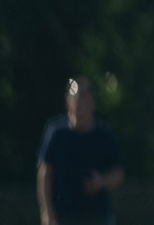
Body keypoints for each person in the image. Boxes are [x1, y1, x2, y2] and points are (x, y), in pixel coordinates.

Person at [37, 77, 125, 225]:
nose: (80, 98)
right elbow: (44, 174)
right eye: (75, 93)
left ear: (93, 101)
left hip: (99, 216)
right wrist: (47, 212)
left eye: (85, 93)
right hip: (64, 217)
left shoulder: (104, 134)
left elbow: (119, 173)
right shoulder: (56, 133)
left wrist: (101, 181)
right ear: (67, 101)